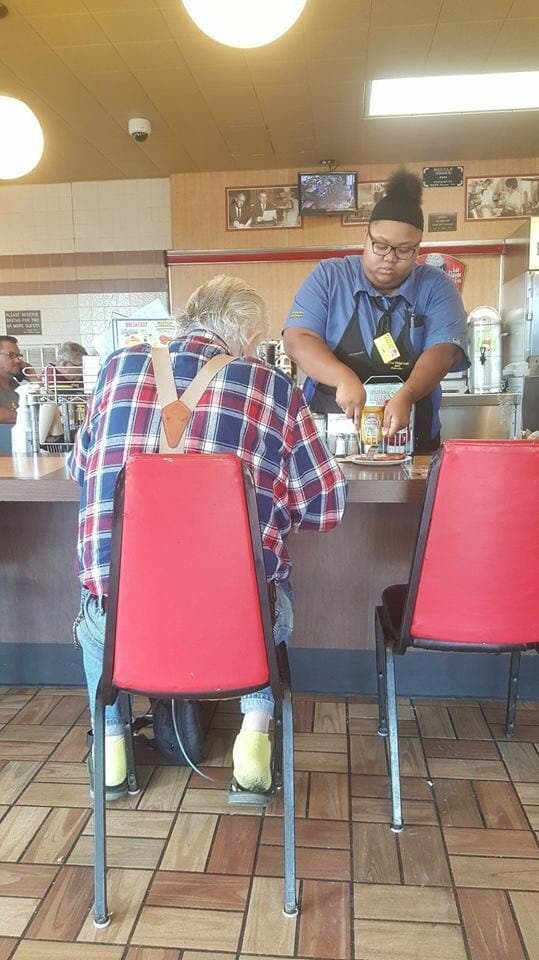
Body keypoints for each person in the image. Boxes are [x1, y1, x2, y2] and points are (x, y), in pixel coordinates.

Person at [69, 275, 346, 801]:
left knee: (98, 602)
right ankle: (253, 739)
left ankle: (110, 747)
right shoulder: (271, 386)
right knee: (260, 593)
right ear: (243, 334)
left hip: (125, 626)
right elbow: (326, 507)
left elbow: (81, 470)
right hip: (237, 628)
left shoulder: (113, 370)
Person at [283, 169, 469, 452]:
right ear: (365, 237)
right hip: (331, 436)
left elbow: (444, 351)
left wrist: (407, 394)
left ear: (418, 248)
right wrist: (342, 377)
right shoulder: (330, 277)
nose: (389, 259)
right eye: (380, 246)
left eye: (404, 250)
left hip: (411, 433)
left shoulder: (436, 286)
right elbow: (298, 338)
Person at [0, 336, 24, 423]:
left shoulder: (14, 385)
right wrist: (31, 416)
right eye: (11, 355)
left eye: (18, 356)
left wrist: (32, 377)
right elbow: (1, 415)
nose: (18, 361)